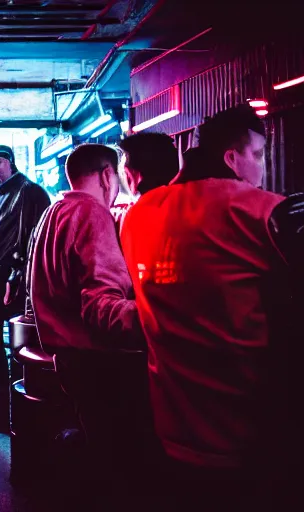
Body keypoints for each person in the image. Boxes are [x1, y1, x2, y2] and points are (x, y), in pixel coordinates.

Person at [120, 105, 298, 507]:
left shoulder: (137, 215)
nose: (262, 166)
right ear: (231, 158)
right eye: (258, 154)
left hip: (171, 426)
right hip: (250, 431)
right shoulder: (261, 211)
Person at [30, 144, 147, 489]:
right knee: (115, 467)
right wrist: (161, 319)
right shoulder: (93, 215)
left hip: (68, 359)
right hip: (97, 362)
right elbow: (101, 307)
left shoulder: (54, 212)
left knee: (97, 452)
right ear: (108, 175)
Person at [0, 145, 50, 432]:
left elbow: (32, 241)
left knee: (15, 353)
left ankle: (8, 411)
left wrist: (14, 278)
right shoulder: (3, 196)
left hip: (8, 290)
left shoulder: (28, 192)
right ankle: (4, 408)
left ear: (10, 162)